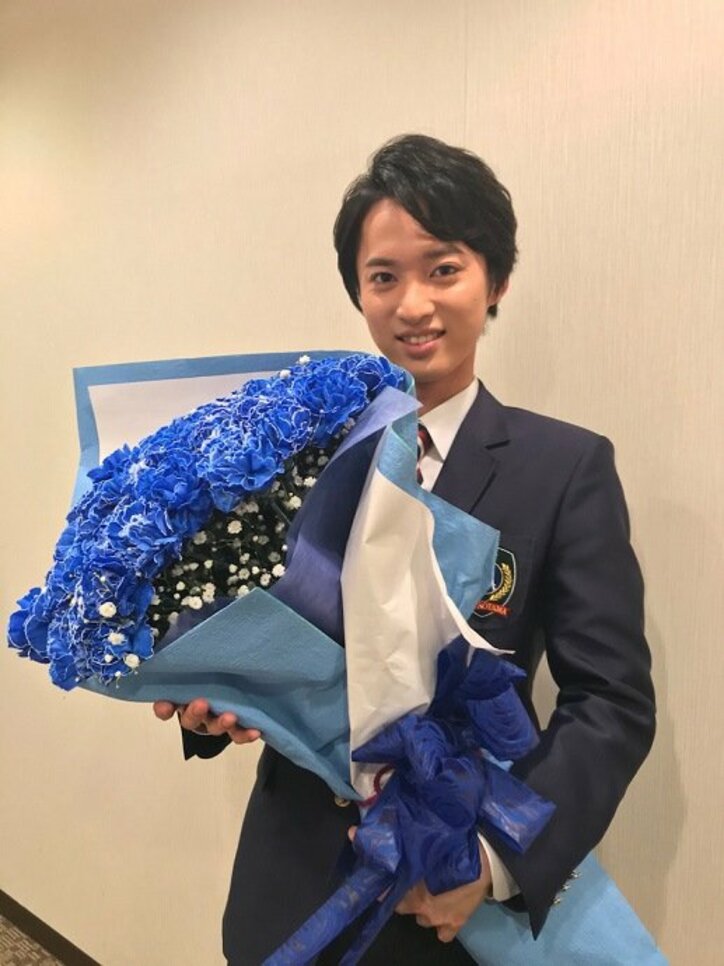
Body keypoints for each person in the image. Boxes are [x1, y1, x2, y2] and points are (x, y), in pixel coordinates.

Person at [154, 134, 656, 964]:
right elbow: (256, 641)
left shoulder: (565, 467)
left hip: (447, 899)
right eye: (383, 277)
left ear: (495, 279)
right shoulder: (296, 456)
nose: (412, 305)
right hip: (290, 879)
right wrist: (215, 705)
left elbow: (611, 702)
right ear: (359, 291)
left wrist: (491, 861)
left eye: (443, 269)